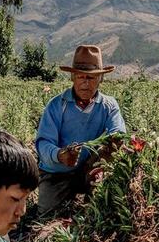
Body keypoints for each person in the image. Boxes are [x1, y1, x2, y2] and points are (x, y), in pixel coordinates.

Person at [34, 45, 126, 216]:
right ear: (72, 77)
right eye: (81, 76)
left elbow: (118, 134)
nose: (85, 82)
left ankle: (93, 206)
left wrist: (113, 145)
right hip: (58, 172)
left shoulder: (109, 106)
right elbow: (43, 143)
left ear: (101, 79)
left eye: (91, 77)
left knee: (100, 212)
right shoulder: (56, 106)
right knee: (47, 213)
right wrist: (60, 154)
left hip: (90, 170)